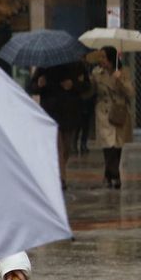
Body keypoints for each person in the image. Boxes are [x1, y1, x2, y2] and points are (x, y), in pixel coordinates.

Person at [28, 59, 93, 187]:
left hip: (70, 112)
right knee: (58, 146)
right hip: (51, 112)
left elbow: (87, 86)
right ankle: (61, 178)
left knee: (66, 147)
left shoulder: (77, 65)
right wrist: (39, 85)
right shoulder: (44, 65)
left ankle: (58, 172)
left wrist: (73, 85)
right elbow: (31, 86)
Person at [92, 46, 133, 189]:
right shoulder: (97, 73)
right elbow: (92, 91)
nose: (101, 60)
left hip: (119, 112)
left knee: (118, 146)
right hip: (104, 113)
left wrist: (119, 80)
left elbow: (130, 93)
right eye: (100, 57)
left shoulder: (123, 72)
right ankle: (115, 175)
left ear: (110, 58)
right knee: (108, 145)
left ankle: (108, 175)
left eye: (104, 57)